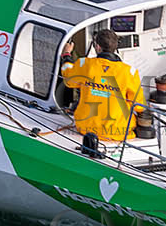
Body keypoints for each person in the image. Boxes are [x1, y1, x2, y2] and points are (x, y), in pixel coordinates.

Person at [60, 29, 143, 157]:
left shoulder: (85, 64)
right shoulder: (130, 72)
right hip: (119, 133)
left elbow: (68, 79)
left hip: (86, 129)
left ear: (97, 47)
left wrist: (66, 54)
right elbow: (138, 105)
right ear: (116, 47)